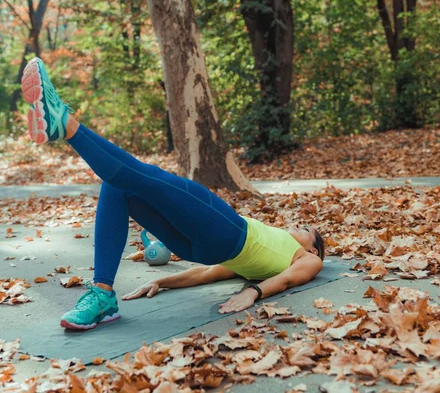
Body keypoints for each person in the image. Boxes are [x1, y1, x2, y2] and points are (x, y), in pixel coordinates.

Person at [21, 57, 325, 330]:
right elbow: (208, 274)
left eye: (305, 230)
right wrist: (162, 281)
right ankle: (102, 295)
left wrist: (252, 292)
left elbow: (285, 280)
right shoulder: (269, 253)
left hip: (229, 232)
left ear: (313, 249)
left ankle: (67, 124)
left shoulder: (307, 260)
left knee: (142, 175)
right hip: (205, 250)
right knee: (118, 185)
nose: (297, 227)